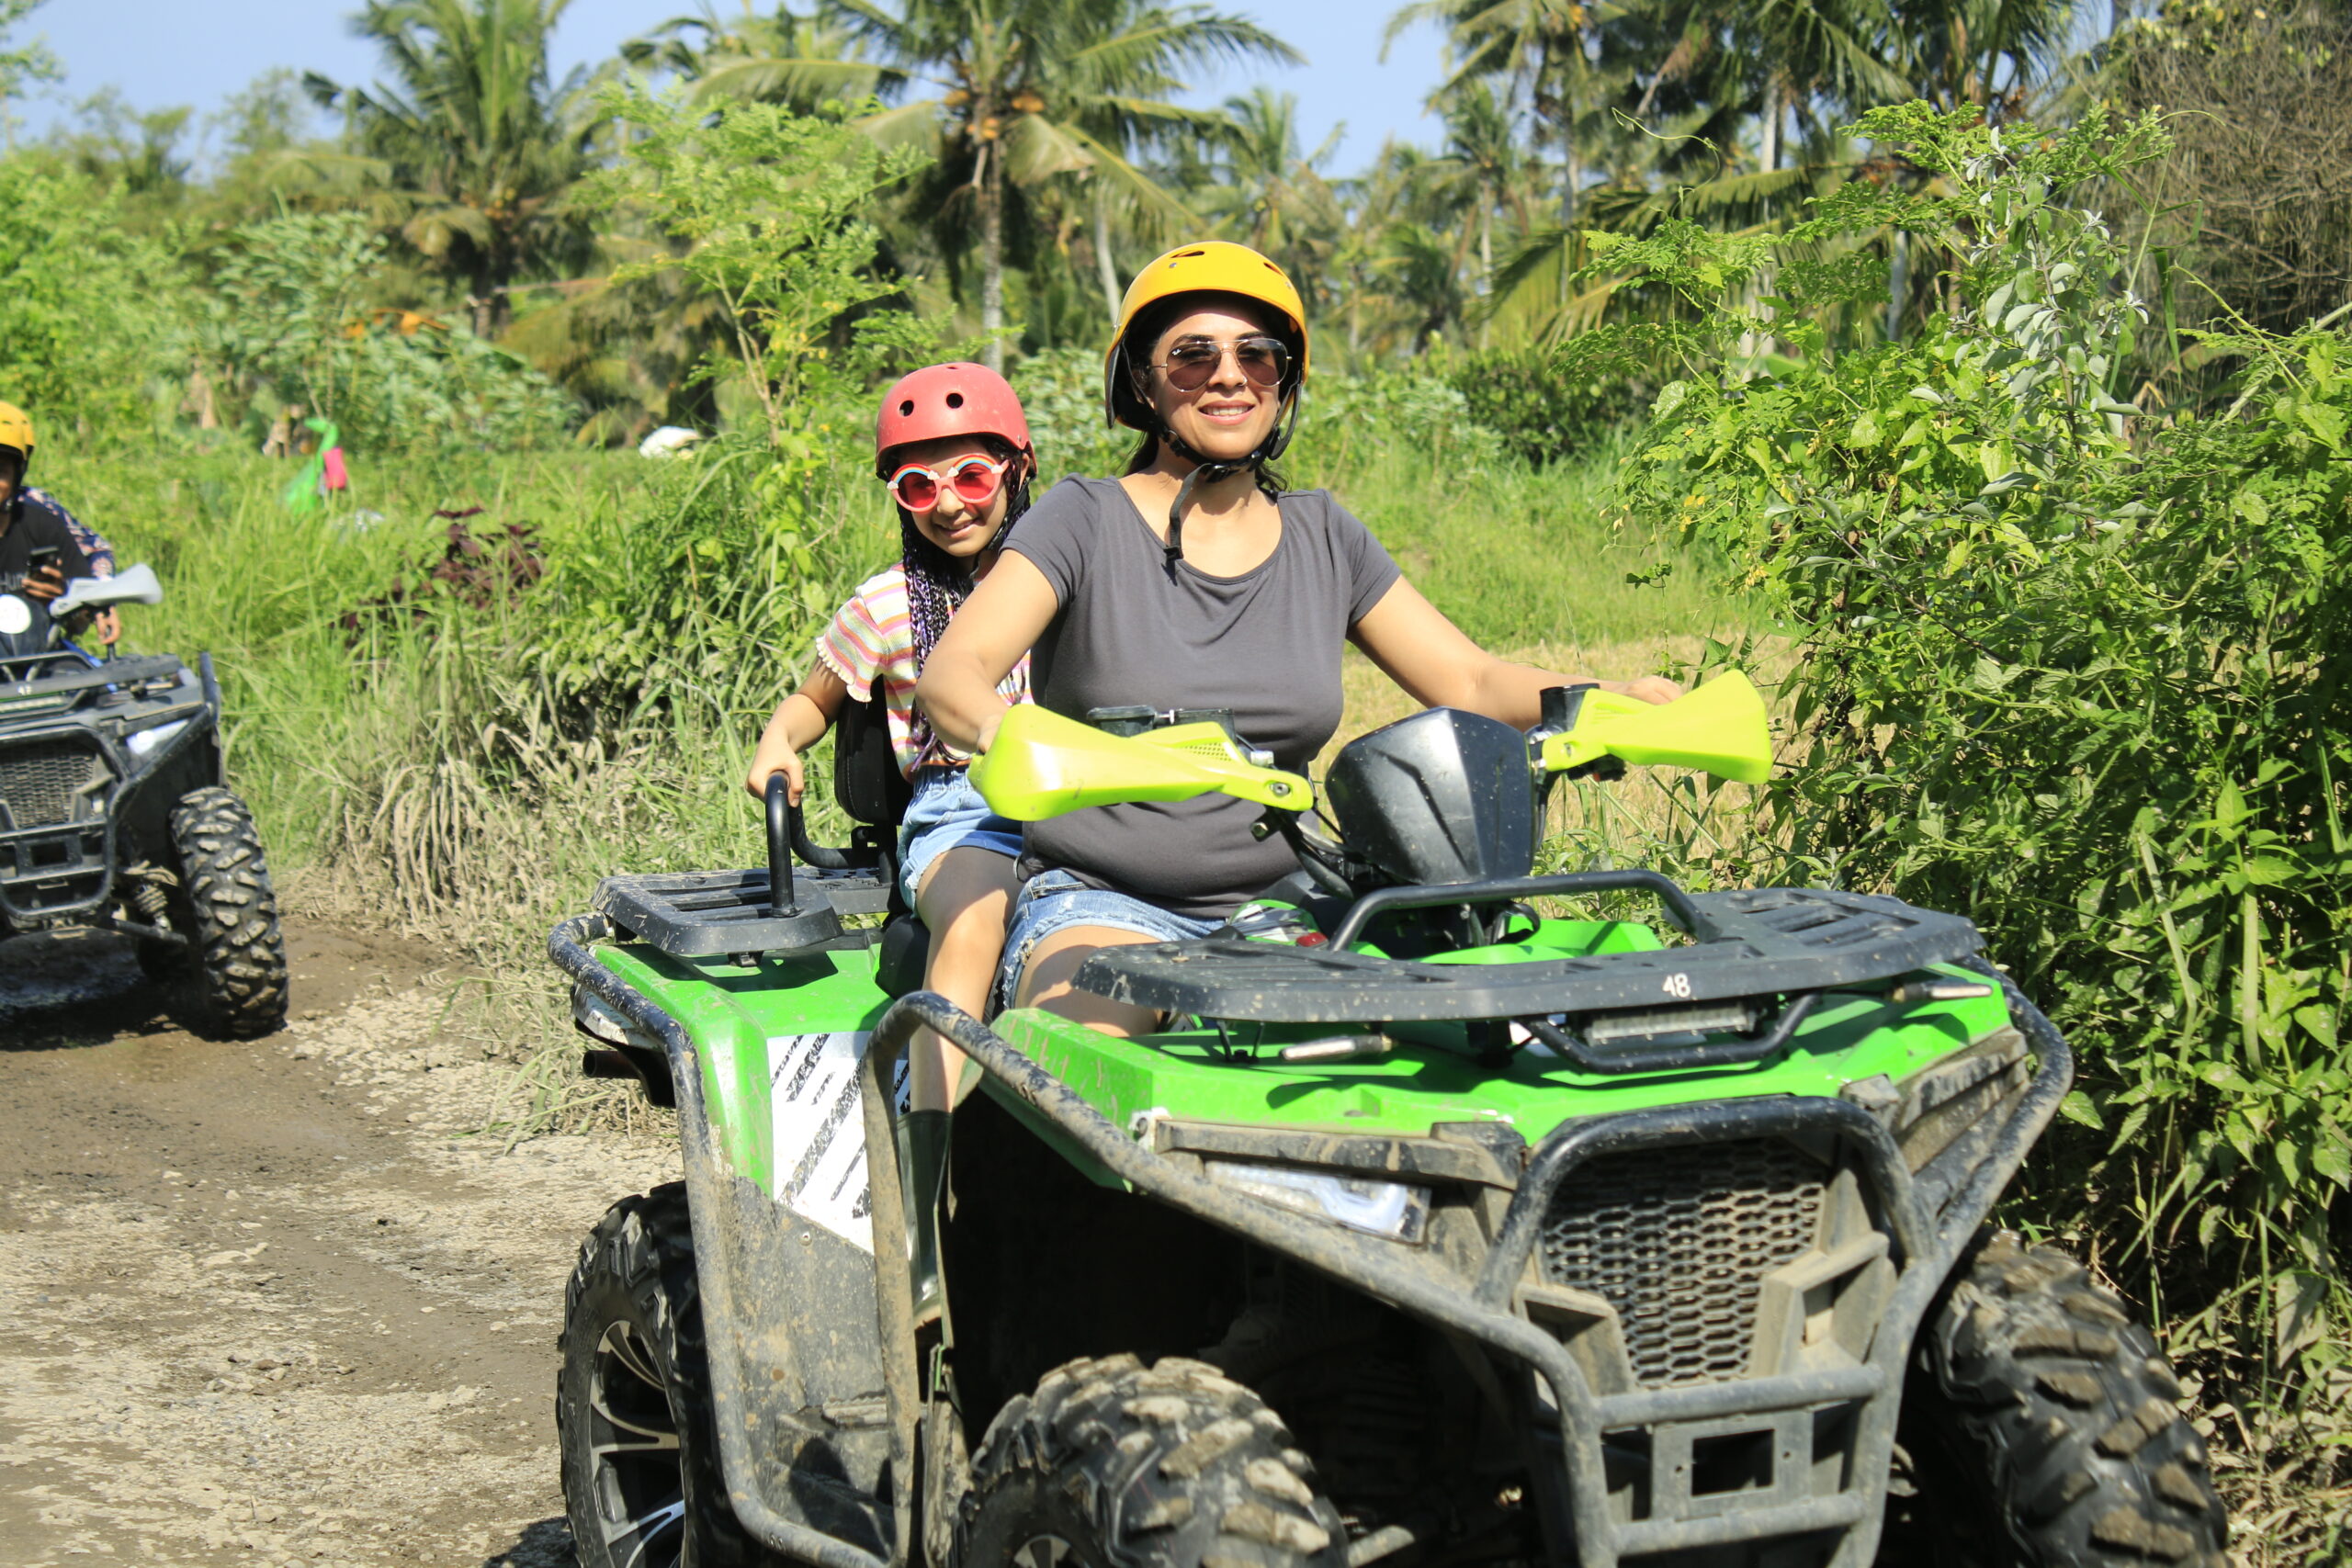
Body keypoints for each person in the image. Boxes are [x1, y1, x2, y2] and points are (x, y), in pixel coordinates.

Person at [914, 242, 1683, 1037]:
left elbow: (1471, 681)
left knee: (1477, 1037)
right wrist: (1005, 729)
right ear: (1142, 380)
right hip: (1106, 902)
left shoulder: (1325, 536)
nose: (1229, 376)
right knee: (1079, 1057)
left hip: (1295, 902)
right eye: (1193, 355)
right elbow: (954, 673)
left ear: (1285, 381)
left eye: (1258, 354)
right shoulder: (1083, 518)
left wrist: (1603, 698)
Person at [744, 361, 1036, 1110]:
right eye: (918, 487)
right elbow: (812, 701)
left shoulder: (1062, 581)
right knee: (974, 921)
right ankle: (933, 1132)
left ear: (1017, 468)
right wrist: (779, 740)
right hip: (962, 811)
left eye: (971, 477)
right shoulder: (884, 604)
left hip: (1073, 793)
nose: (949, 504)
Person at [0, 400, 120, 648]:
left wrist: (71, 601)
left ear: (16, 475)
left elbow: (94, 551)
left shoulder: (39, 515)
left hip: (33, 650)